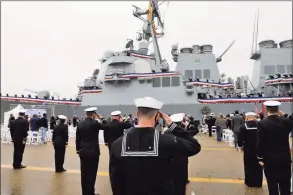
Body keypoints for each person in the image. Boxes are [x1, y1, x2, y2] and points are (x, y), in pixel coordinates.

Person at [109, 97, 201, 195]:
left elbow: (115, 181)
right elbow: (194, 146)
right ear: (157, 117)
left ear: (137, 114)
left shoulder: (117, 145)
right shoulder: (168, 142)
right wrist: (172, 125)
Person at [257, 100, 292, 195]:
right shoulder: (286, 122)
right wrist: (284, 114)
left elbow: (260, 142)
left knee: (272, 185)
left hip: (269, 159)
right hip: (285, 158)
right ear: (278, 109)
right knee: (285, 185)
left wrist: (260, 157)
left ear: (267, 109)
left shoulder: (262, 123)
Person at [76, 107, 110, 195]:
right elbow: (107, 126)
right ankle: (91, 192)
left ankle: (85, 193)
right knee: (92, 173)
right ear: (94, 114)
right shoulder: (95, 123)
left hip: (83, 152)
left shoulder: (80, 124)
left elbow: (77, 139)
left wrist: (78, 150)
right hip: (93, 152)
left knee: (84, 174)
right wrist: (102, 118)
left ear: (86, 114)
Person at [165, 113, 191, 195]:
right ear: (181, 122)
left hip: (170, 159)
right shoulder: (183, 132)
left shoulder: (167, 132)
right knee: (181, 183)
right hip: (182, 159)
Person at [238, 112, 263, 187]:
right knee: (258, 165)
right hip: (259, 149)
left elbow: (240, 138)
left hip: (248, 148)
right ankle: (258, 182)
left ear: (247, 117)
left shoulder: (244, 126)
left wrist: (240, 146)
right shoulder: (261, 125)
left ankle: (249, 182)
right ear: (254, 117)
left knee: (248, 164)